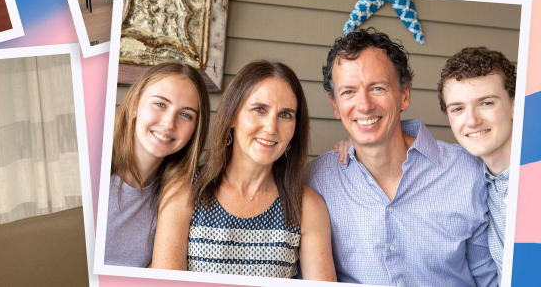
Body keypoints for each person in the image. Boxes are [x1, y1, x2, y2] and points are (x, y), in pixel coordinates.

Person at [308, 29, 496, 286]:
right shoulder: (316, 182)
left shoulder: (466, 171)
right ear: (335, 106)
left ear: (404, 95)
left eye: (377, 88)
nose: (364, 105)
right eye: (348, 92)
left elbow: (489, 278)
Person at [151, 61, 335, 280]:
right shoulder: (185, 189)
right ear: (231, 117)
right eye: (259, 109)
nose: (271, 128)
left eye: (285, 115)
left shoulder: (307, 206)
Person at [105, 63, 211, 267]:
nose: (169, 123)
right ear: (135, 105)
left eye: (185, 114)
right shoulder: (98, 169)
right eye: (160, 104)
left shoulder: (179, 191)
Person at [439, 47, 517, 276]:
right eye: (458, 109)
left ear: (514, 104)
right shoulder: (475, 176)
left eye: (486, 103)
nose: (472, 121)